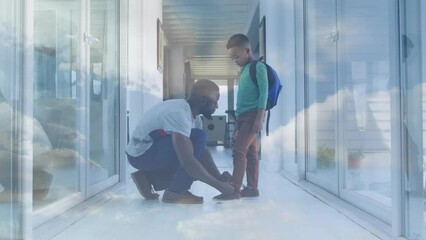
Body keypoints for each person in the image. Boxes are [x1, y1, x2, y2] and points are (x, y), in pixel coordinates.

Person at [126, 79, 234, 204]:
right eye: (215, 102)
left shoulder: (194, 117)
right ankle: (176, 192)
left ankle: (147, 178)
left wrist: (219, 178)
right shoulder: (180, 113)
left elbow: (202, 154)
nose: (217, 107)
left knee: (197, 147)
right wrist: (219, 186)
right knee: (196, 143)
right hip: (140, 154)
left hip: (146, 152)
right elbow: (188, 161)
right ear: (203, 101)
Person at [214, 33, 268, 200]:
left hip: (252, 117)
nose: (235, 60)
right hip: (243, 117)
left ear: (247, 50)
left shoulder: (258, 67)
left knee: (238, 151)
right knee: (251, 153)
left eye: (237, 56)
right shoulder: (243, 70)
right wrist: (238, 119)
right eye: (232, 58)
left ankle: (234, 190)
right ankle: (252, 188)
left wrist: (259, 118)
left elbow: (263, 92)